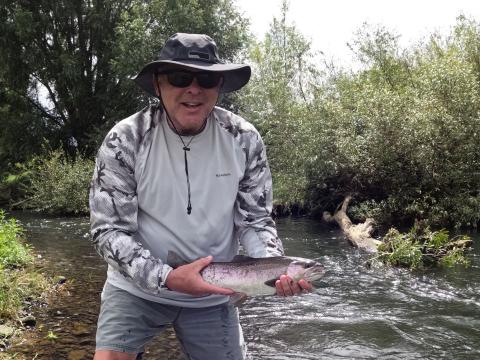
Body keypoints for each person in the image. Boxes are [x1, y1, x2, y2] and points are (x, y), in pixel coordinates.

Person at [89, 33, 312, 360]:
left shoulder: (244, 138)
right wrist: (167, 277)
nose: (194, 89)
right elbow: (109, 231)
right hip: (136, 288)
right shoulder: (126, 140)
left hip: (215, 294)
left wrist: (272, 267)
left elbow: (255, 220)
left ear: (218, 85)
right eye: (180, 78)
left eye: (206, 79)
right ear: (158, 84)